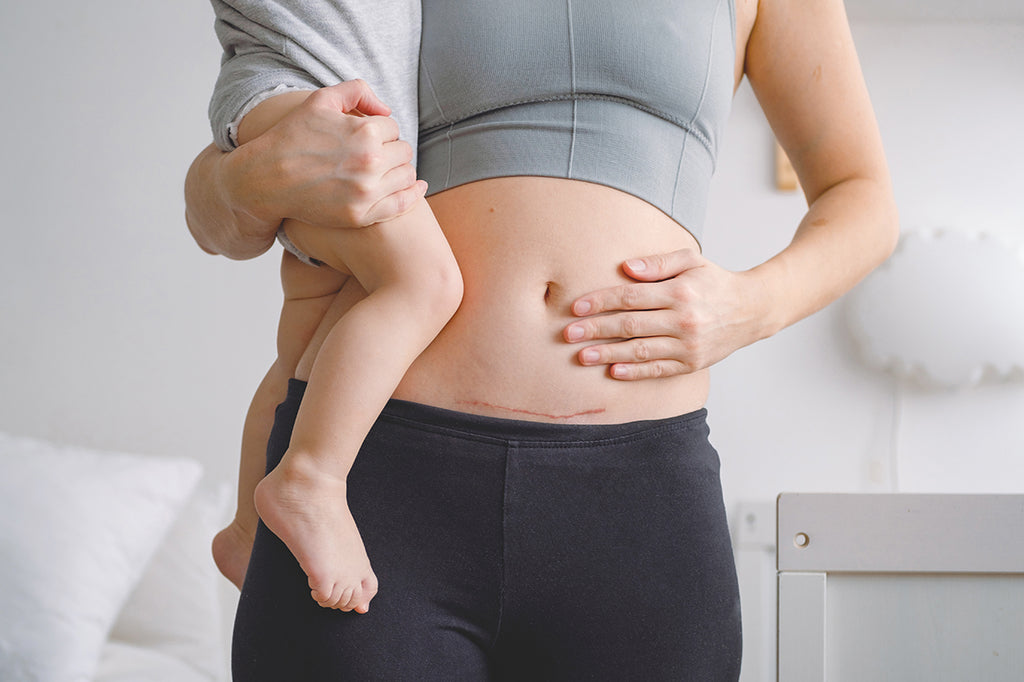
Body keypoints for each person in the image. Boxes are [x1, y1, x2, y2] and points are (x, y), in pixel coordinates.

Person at [186, 0, 899, 679]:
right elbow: (217, 197)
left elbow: (862, 196)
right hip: (376, 479)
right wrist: (241, 179)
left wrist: (753, 304)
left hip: (637, 500)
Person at [198, 1, 460, 615]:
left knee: (304, 356)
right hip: (298, 98)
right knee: (427, 283)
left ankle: (244, 532)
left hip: (331, 111)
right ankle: (310, 478)